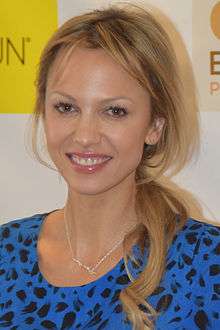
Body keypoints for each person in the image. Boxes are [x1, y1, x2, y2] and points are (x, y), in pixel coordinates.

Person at [0, 3, 219, 330]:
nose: (85, 136)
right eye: (66, 107)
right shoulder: (5, 253)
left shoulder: (209, 263)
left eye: (114, 111)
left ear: (154, 125)